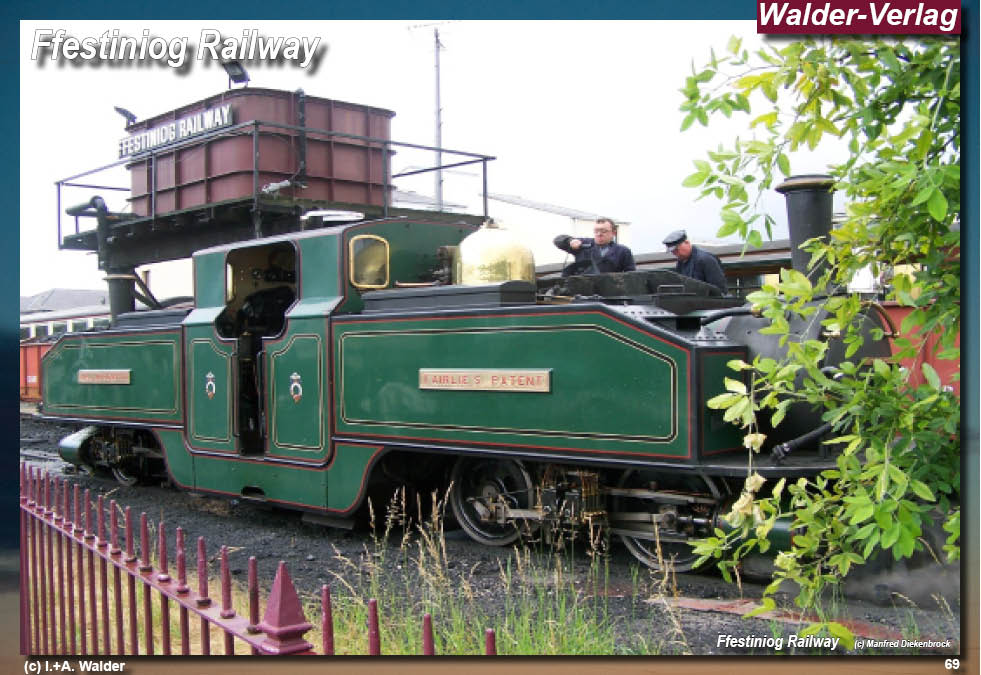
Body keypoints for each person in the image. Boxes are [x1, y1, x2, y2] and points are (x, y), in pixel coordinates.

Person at [554, 218, 636, 277]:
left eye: (604, 231)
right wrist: (570, 241)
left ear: (613, 233)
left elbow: (632, 276)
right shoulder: (583, 245)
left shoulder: (623, 251)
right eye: (596, 231)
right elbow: (557, 240)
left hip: (611, 294)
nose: (599, 234)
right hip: (584, 292)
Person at [662, 229, 727, 294]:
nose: (675, 253)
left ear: (687, 242)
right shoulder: (680, 263)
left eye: (676, 250)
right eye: (672, 252)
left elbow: (720, 290)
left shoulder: (706, 259)